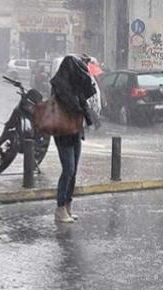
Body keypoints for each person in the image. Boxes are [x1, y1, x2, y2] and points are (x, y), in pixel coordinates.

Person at [50, 55, 97, 224]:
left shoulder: (75, 86)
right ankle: (60, 208)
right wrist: (80, 103)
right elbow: (72, 105)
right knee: (68, 169)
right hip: (63, 133)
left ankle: (68, 206)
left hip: (75, 131)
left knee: (74, 171)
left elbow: (85, 99)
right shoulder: (60, 86)